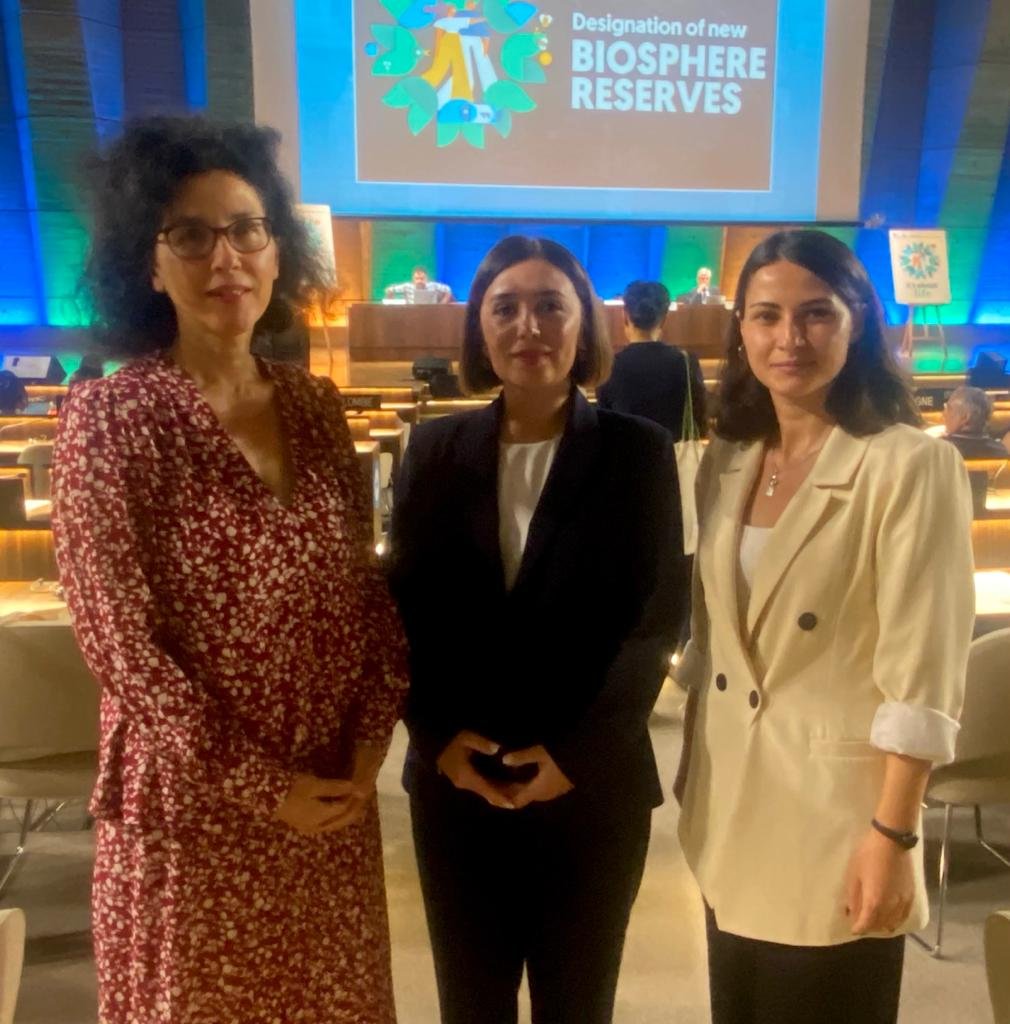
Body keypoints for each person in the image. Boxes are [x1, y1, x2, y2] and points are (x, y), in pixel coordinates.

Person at [51, 117, 408, 1024]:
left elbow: (364, 596)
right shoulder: (109, 420)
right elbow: (122, 650)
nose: (226, 258)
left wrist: (372, 736)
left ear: (278, 252)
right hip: (195, 816)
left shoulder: (315, 407)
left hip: (327, 801)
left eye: (247, 229)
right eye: (191, 234)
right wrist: (263, 789)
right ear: (147, 263)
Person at [674, 229, 975, 1024]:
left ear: (858, 321)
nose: (790, 339)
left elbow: (924, 676)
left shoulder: (909, 465)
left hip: (838, 824)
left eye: (816, 313)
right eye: (766, 315)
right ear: (741, 329)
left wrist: (892, 835)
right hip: (731, 810)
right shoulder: (729, 459)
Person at [390, 235, 687, 1024]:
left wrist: (577, 752)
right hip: (458, 782)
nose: (529, 326)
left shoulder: (639, 452)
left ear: (583, 324)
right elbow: (400, 613)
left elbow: (658, 619)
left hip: (591, 784)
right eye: (506, 308)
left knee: (578, 1006)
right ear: (479, 330)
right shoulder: (432, 449)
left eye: (550, 305)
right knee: (470, 1007)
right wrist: (436, 738)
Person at [596, 279, 707, 440]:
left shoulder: (610, 365)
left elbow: (603, 425)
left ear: (625, 316)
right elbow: (700, 420)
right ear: (664, 319)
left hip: (625, 453)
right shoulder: (685, 361)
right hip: (673, 454)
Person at [941, 385, 1008, 459]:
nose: (944, 414)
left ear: (965, 418)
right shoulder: (1001, 452)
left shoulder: (939, 450)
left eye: (949, 409)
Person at [384, 265, 453, 304]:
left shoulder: (433, 285)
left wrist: (441, 305)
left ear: (427, 278)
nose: (419, 281)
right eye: (417, 278)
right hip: (411, 314)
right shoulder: (407, 286)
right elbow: (389, 290)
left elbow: (448, 290)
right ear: (413, 279)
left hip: (431, 313)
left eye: (422, 278)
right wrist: (391, 305)